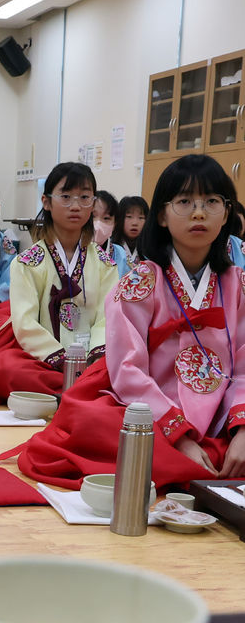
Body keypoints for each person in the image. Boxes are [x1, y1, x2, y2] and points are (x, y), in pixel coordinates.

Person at [17, 154, 245, 489]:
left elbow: (243, 369)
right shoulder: (141, 281)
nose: (199, 212)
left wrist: (242, 429)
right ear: (163, 216)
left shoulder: (237, 284)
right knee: (94, 421)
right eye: (184, 201)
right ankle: (183, 458)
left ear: (227, 213)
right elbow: (127, 368)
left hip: (222, 418)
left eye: (211, 201)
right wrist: (176, 433)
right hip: (152, 413)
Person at [0, 161, 119, 401]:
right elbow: (25, 323)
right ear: (46, 202)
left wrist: (94, 357)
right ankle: (76, 389)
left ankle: (78, 385)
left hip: (92, 358)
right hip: (43, 359)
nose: (75, 205)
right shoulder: (27, 262)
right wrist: (61, 359)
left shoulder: (105, 263)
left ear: (93, 202)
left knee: (121, 368)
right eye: (66, 196)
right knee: (4, 369)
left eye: (84, 197)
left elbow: (107, 318)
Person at [93, 189, 129, 276]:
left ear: (115, 223)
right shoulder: (72, 250)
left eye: (106, 218)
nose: (98, 224)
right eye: (92, 216)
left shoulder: (120, 254)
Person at [112, 195, 149, 269]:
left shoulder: (150, 248)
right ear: (120, 218)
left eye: (141, 218)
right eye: (129, 216)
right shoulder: (111, 246)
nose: (135, 223)